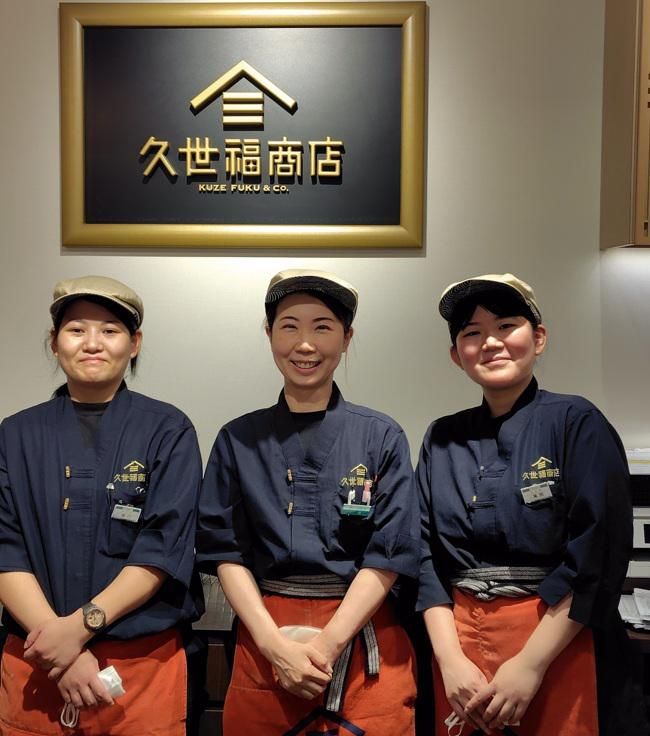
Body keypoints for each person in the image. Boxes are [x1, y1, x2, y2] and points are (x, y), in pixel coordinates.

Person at [416, 273, 648, 736]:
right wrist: (450, 660)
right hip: (460, 648)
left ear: (538, 338)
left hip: (557, 641)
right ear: (456, 355)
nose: (491, 343)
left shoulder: (576, 421)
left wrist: (530, 665)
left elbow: (598, 553)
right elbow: (423, 556)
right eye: (472, 333)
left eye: (506, 326)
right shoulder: (442, 437)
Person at [197, 269, 419, 735]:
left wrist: (329, 644)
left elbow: (389, 552)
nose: (305, 344)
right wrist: (272, 645)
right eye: (289, 326)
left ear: (346, 338)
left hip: (361, 633)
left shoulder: (381, 436)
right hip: (266, 633)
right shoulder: (238, 439)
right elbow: (224, 550)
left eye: (322, 327)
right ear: (269, 334)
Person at [0, 276, 204, 736]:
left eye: (110, 330)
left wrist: (78, 630)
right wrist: (60, 646)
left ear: (134, 343)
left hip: (141, 666)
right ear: (54, 342)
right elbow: (6, 547)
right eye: (76, 330)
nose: (92, 343)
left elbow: (161, 547)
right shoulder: (15, 434)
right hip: (38, 660)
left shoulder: (168, 430)